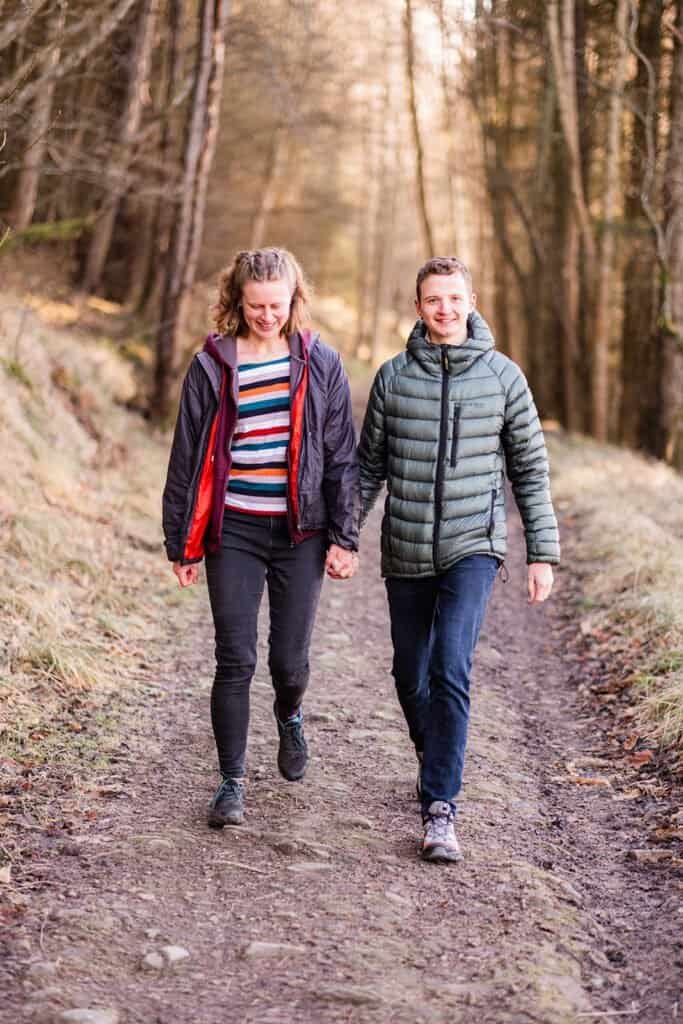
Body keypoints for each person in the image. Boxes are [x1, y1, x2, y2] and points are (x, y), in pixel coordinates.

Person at [358, 256, 559, 864]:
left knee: (451, 666)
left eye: (454, 298)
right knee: (409, 673)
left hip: (475, 544)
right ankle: (434, 753)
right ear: (418, 308)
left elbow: (529, 468)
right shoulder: (393, 378)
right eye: (433, 300)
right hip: (407, 545)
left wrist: (541, 554)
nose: (445, 309)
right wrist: (343, 537)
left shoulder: (504, 378)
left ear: (471, 301)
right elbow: (368, 467)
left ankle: (440, 808)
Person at [162, 247, 359, 828]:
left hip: (301, 530)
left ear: (293, 301)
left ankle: (290, 715)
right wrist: (182, 543)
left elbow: (342, 459)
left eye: (276, 305)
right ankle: (231, 782)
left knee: (289, 661)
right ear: (237, 302)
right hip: (235, 530)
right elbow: (186, 457)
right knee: (234, 657)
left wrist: (344, 538)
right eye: (255, 306)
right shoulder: (211, 365)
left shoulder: (321, 361)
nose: (266, 315)